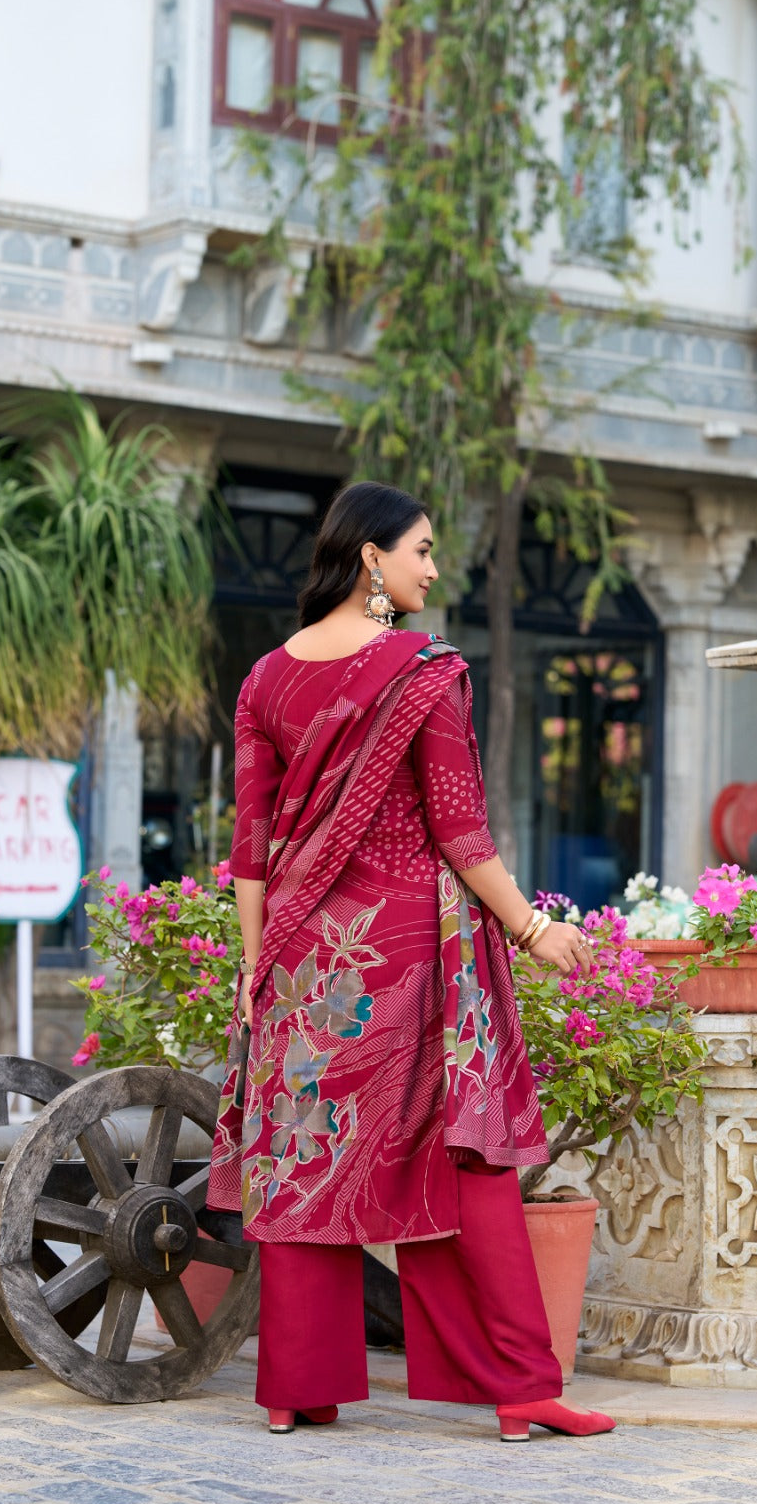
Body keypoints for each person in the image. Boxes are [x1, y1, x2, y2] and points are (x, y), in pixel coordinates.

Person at [207, 481, 615, 1443]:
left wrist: (255, 965)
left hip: (306, 960)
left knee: (306, 1156)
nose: (433, 569)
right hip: (409, 956)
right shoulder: (423, 674)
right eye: (422, 550)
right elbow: (463, 834)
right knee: (459, 1158)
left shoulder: (265, 677)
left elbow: (251, 850)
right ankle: (520, 1389)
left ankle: (293, 1389)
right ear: (371, 560)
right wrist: (530, 929)